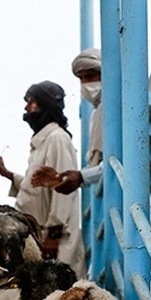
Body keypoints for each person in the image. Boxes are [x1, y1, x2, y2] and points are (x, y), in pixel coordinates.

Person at [0, 81, 85, 276]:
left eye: (31, 102)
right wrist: (8, 174)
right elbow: (36, 188)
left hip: (55, 242)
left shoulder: (57, 139)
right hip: (40, 238)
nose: (26, 108)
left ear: (45, 105)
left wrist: (53, 236)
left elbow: (63, 192)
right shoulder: (42, 143)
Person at [34, 48, 103, 196]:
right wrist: (63, 178)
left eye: (90, 76)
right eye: (81, 78)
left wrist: (81, 177)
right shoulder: (96, 114)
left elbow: (119, 162)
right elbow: (100, 167)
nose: (85, 83)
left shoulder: (119, 109)